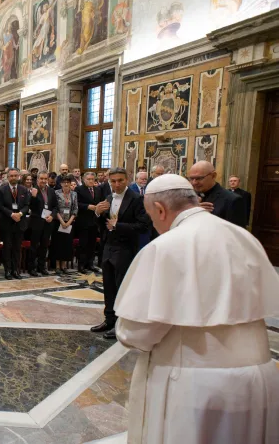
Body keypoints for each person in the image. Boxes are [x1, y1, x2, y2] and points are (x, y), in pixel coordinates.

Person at [115, 174, 279, 444]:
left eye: (151, 217)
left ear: (160, 210)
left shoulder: (165, 247)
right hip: (258, 378)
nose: (155, 225)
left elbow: (137, 332)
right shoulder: (244, 237)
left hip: (195, 388)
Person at [92, 167, 150, 339]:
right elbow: (103, 224)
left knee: (121, 288)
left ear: (127, 179)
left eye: (120, 180)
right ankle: (109, 319)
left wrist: (119, 226)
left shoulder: (137, 199)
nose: (116, 184)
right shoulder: (109, 198)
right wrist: (97, 213)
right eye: (113, 181)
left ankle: (121, 324)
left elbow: (143, 226)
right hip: (108, 247)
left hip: (125, 249)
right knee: (108, 286)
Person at [187, 161, 246, 227]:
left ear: (213, 176)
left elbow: (234, 233)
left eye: (199, 178)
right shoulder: (188, 197)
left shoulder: (232, 200)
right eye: (191, 178)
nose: (194, 182)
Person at [0, 168, 31, 279]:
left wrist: (20, 214)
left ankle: (16, 270)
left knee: (17, 248)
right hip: (7, 222)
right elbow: (0, 206)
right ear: (8, 177)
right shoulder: (2, 190)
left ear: (19, 176)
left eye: (15, 175)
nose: (13, 178)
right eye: (11, 176)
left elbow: (27, 205)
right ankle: (7, 270)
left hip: (20, 222)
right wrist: (11, 214)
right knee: (7, 247)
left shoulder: (24, 190)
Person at [28, 172, 58, 276]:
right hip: (36, 222)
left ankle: (42, 267)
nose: (43, 181)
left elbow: (55, 207)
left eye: (45, 179)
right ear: (37, 179)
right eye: (41, 178)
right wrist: (34, 197)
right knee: (34, 246)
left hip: (48, 222)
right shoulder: (33, 190)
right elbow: (31, 207)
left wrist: (52, 216)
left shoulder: (51, 191)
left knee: (44, 246)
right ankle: (31, 267)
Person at [75, 172, 101, 273]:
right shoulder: (79, 189)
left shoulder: (98, 189)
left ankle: (90, 264)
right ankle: (81, 265)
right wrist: (87, 206)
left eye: (92, 179)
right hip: (83, 221)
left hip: (95, 221)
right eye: (88, 179)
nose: (91, 181)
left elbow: (101, 201)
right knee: (83, 244)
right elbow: (76, 203)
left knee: (92, 244)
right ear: (84, 179)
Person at [51, 175, 77, 274]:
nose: (66, 184)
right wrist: (62, 221)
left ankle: (64, 265)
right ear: (61, 183)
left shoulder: (74, 194)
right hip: (58, 222)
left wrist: (69, 222)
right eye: (64, 182)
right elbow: (55, 208)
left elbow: (75, 209)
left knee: (67, 244)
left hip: (69, 222)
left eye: (68, 182)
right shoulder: (56, 193)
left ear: (71, 184)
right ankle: (57, 266)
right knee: (58, 244)